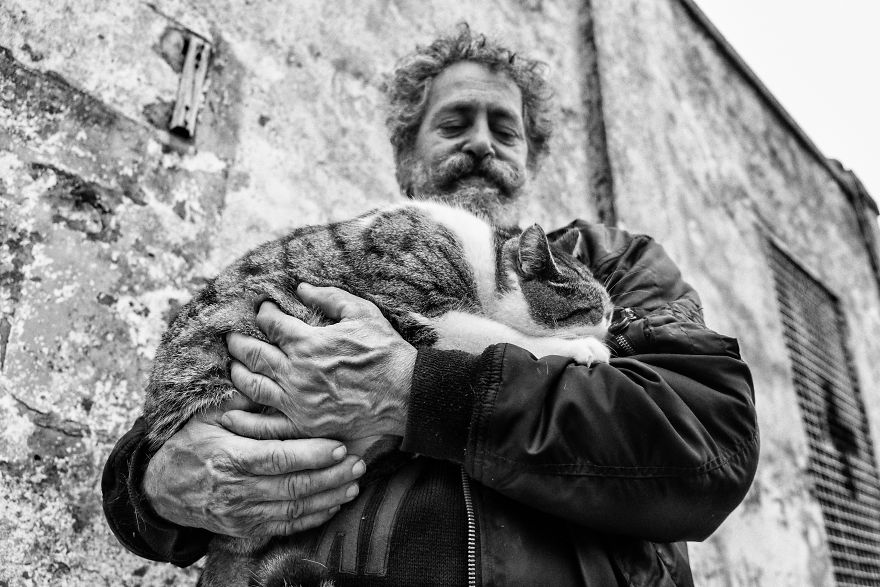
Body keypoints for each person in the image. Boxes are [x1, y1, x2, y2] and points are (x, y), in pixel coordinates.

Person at [103, 24, 759, 585]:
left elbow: (707, 444)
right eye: (454, 122)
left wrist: (418, 388)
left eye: (506, 128)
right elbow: (160, 437)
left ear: (530, 159)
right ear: (406, 151)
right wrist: (153, 487)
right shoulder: (334, 263)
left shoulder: (608, 265)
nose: (481, 142)